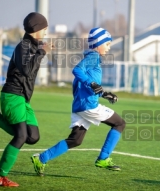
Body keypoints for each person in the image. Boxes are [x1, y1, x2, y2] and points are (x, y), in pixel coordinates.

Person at [0, 12, 52, 187]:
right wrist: (42, 52)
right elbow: (27, 71)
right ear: (37, 29)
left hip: (23, 99)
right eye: (44, 28)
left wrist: (40, 50)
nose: (46, 31)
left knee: (33, 137)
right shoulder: (23, 46)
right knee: (21, 136)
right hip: (12, 96)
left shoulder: (31, 46)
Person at [30, 27, 126, 176]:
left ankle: (41, 158)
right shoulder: (93, 57)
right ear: (98, 44)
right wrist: (92, 84)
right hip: (88, 106)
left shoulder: (92, 58)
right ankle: (103, 158)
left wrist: (104, 93)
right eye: (107, 44)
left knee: (75, 140)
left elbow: (85, 85)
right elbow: (77, 70)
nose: (109, 48)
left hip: (80, 105)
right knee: (120, 123)